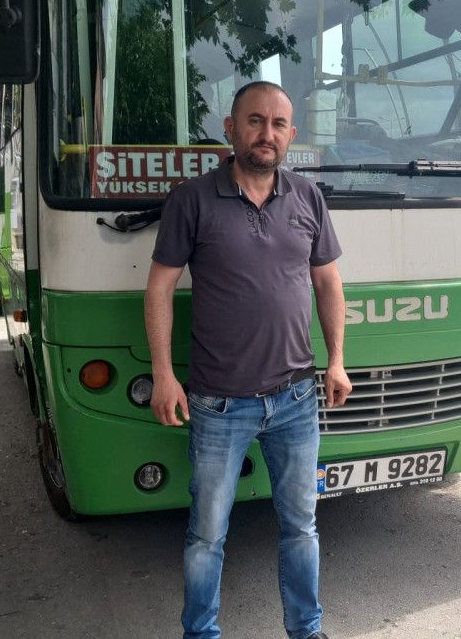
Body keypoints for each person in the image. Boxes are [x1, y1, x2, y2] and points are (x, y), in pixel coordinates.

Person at [145, 81, 352, 639]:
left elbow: (328, 283)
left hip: (296, 398)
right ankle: (200, 633)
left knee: (301, 527)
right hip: (219, 405)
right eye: (255, 121)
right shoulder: (192, 200)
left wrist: (336, 361)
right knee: (207, 535)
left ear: (292, 134)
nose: (267, 134)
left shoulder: (307, 197)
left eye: (279, 124)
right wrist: (164, 374)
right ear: (231, 128)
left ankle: (306, 630)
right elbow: (160, 288)